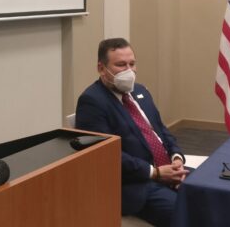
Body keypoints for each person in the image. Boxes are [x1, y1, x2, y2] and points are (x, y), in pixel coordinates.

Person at [75, 38, 189, 227]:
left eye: (132, 64)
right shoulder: (92, 102)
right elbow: (105, 155)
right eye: (121, 65)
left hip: (168, 170)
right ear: (101, 68)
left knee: (212, 191)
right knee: (187, 212)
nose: (129, 70)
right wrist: (155, 173)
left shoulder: (140, 91)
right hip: (136, 184)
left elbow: (161, 130)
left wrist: (176, 157)